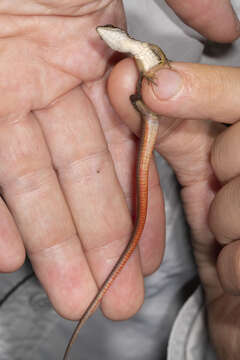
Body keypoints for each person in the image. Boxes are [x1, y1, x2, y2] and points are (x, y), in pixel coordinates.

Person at [0, 0, 239, 359]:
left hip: (161, 129)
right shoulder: (126, 47)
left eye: (110, 38)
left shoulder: (140, 50)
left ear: (121, 38)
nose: (105, 39)